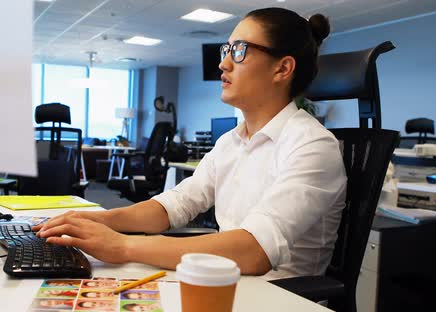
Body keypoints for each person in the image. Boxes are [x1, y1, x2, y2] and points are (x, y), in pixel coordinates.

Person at [34, 7, 346, 280]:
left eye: (240, 50)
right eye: (227, 49)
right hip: (225, 281)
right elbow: (173, 206)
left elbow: (254, 251)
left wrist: (124, 245)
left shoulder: (313, 145)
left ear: (282, 68)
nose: (224, 63)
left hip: (280, 296)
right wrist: (97, 219)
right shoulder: (231, 142)